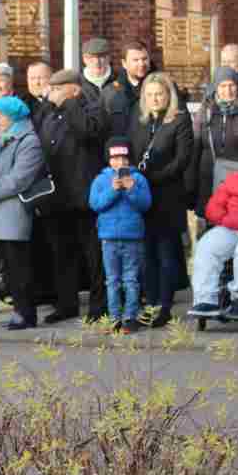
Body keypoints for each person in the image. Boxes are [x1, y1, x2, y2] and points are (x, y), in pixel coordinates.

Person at [39, 69, 109, 322]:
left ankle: (99, 306)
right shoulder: (49, 113)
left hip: (83, 194)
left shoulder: (92, 109)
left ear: (74, 88)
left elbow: (87, 131)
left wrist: (70, 103)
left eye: (58, 89)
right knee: (62, 255)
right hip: (56, 196)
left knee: (93, 255)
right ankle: (66, 304)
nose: (52, 94)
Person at [129, 72, 194, 326]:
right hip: (143, 197)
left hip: (168, 195)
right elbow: (132, 152)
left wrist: (153, 177)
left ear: (169, 95)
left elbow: (182, 159)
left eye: (159, 94)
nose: (155, 99)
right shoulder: (140, 120)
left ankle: (164, 307)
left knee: (166, 253)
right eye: (150, 95)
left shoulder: (179, 120)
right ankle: (150, 302)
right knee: (146, 253)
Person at [0, 96, 43, 330]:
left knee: (19, 268)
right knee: (10, 269)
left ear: (12, 117)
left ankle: (26, 314)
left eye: (0, 115)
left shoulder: (29, 141)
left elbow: (19, 180)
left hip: (13, 214)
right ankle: (18, 312)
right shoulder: (1, 136)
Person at [187, 141, 238, 319]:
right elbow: (213, 208)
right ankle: (205, 300)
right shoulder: (234, 180)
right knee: (206, 246)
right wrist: (227, 220)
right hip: (231, 227)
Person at [90, 136, 152, 333]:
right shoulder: (101, 180)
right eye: (115, 158)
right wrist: (113, 190)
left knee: (131, 279)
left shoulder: (138, 179)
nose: (120, 163)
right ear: (108, 160)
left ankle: (130, 317)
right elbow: (95, 204)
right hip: (108, 238)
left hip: (132, 237)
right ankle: (114, 318)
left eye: (124, 158)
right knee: (112, 280)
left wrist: (131, 189)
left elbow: (145, 204)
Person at [191, 65, 238, 218]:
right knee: (210, 218)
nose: (228, 90)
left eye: (231, 85)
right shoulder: (206, 109)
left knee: (234, 219)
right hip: (208, 176)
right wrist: (191, 180)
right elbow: (195, 146)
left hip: (237, 178)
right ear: (216, 88)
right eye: (222, 86)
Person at [103, 40, 154, 137]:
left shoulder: (163, 87)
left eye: (144, 59)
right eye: (136, 60)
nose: (141, 64)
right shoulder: (111, 92)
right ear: (124, 63)